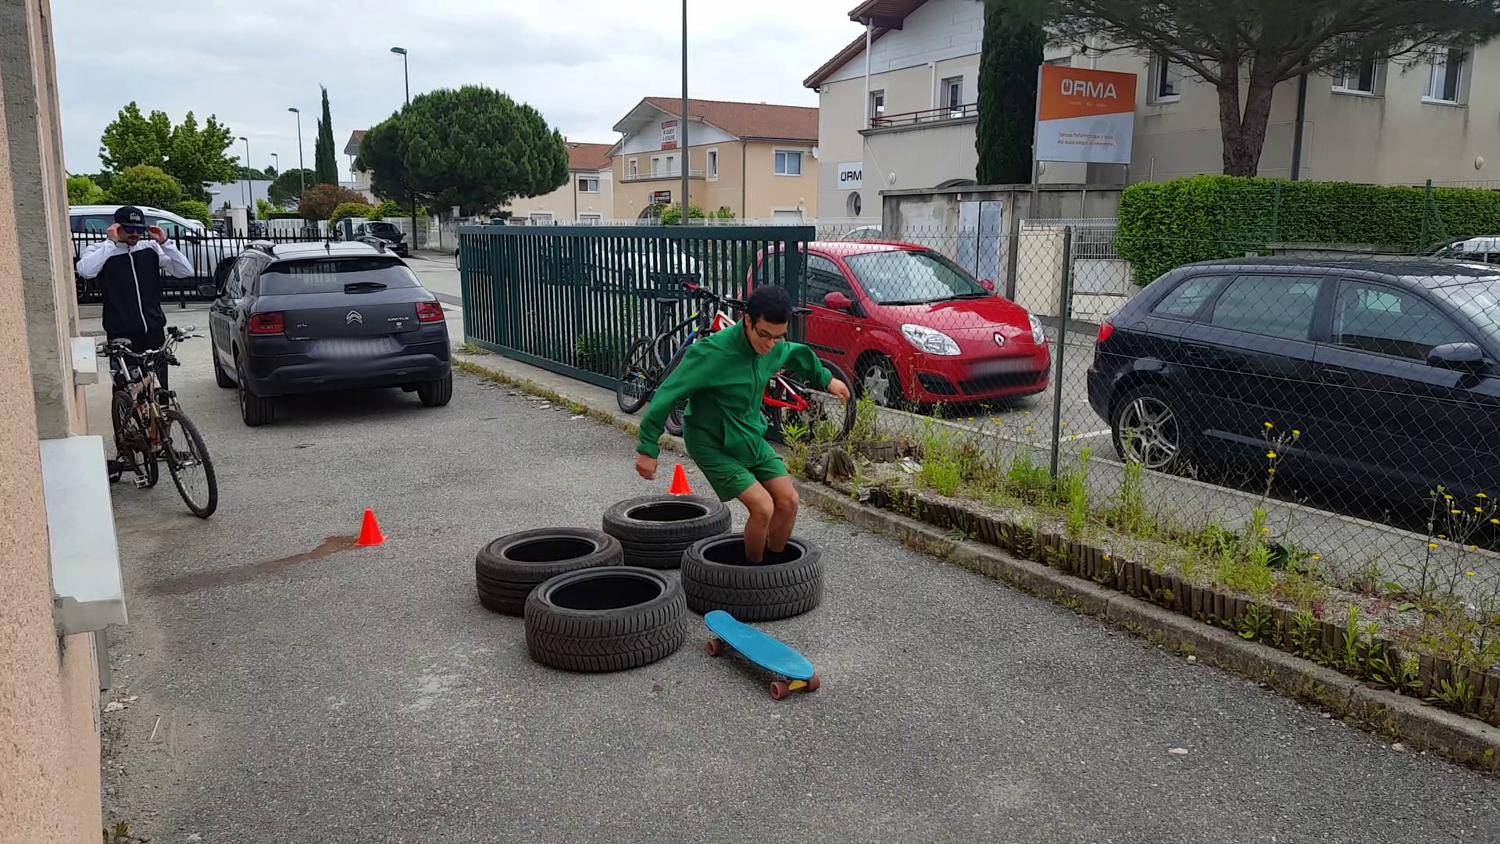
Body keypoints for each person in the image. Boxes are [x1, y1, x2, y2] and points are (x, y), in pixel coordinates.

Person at [635, 286, 851, 564]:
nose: (771, 344)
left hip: (749, 435)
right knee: (763, 507)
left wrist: (827, 379)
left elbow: (797, 352)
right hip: (711, 442)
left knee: (788, 502)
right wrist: (648, 447)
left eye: (778, 336)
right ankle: (751, 576)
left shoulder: (774, 346)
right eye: (764, 335)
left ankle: (775, 569)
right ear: (746, 320)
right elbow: (667, 394)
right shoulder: (711, 353)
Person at [75, 206, 195, 392]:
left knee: (159, 388)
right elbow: (85, 271)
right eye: (129, 229)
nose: (135, 234)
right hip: (121, 333)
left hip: (153, 330)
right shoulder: (100, 250)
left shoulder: (151, 248)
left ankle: (161, 419)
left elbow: (184, 271)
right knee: (126, 387)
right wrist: (110, 243)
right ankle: (125, 417)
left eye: (139, 230)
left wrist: (165, 242)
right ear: (116, 227)